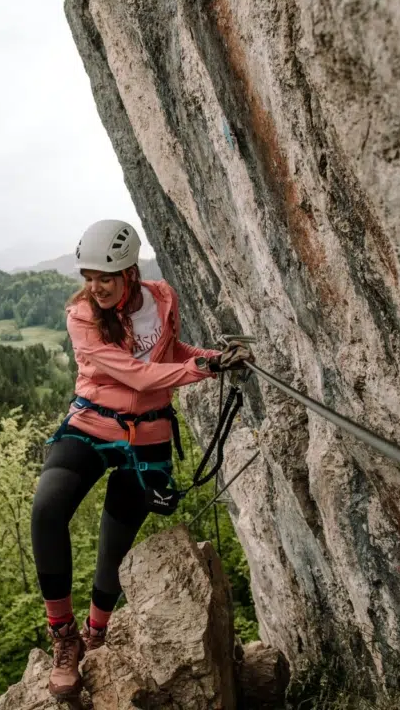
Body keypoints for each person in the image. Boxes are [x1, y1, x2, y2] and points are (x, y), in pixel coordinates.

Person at [30, 219, 253, 699]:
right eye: (89, 278)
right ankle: (64, 639)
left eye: (105, 278)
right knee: (47, 509)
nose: (96, 287)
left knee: (115, 543)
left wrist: (214, 357)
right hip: (91, 424)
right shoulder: (82, 316)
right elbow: (136, 376)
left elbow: (172, 353)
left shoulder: (163, 298)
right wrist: (201, 368)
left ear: (130, 272)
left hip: (147, 431)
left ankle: (96, 632)